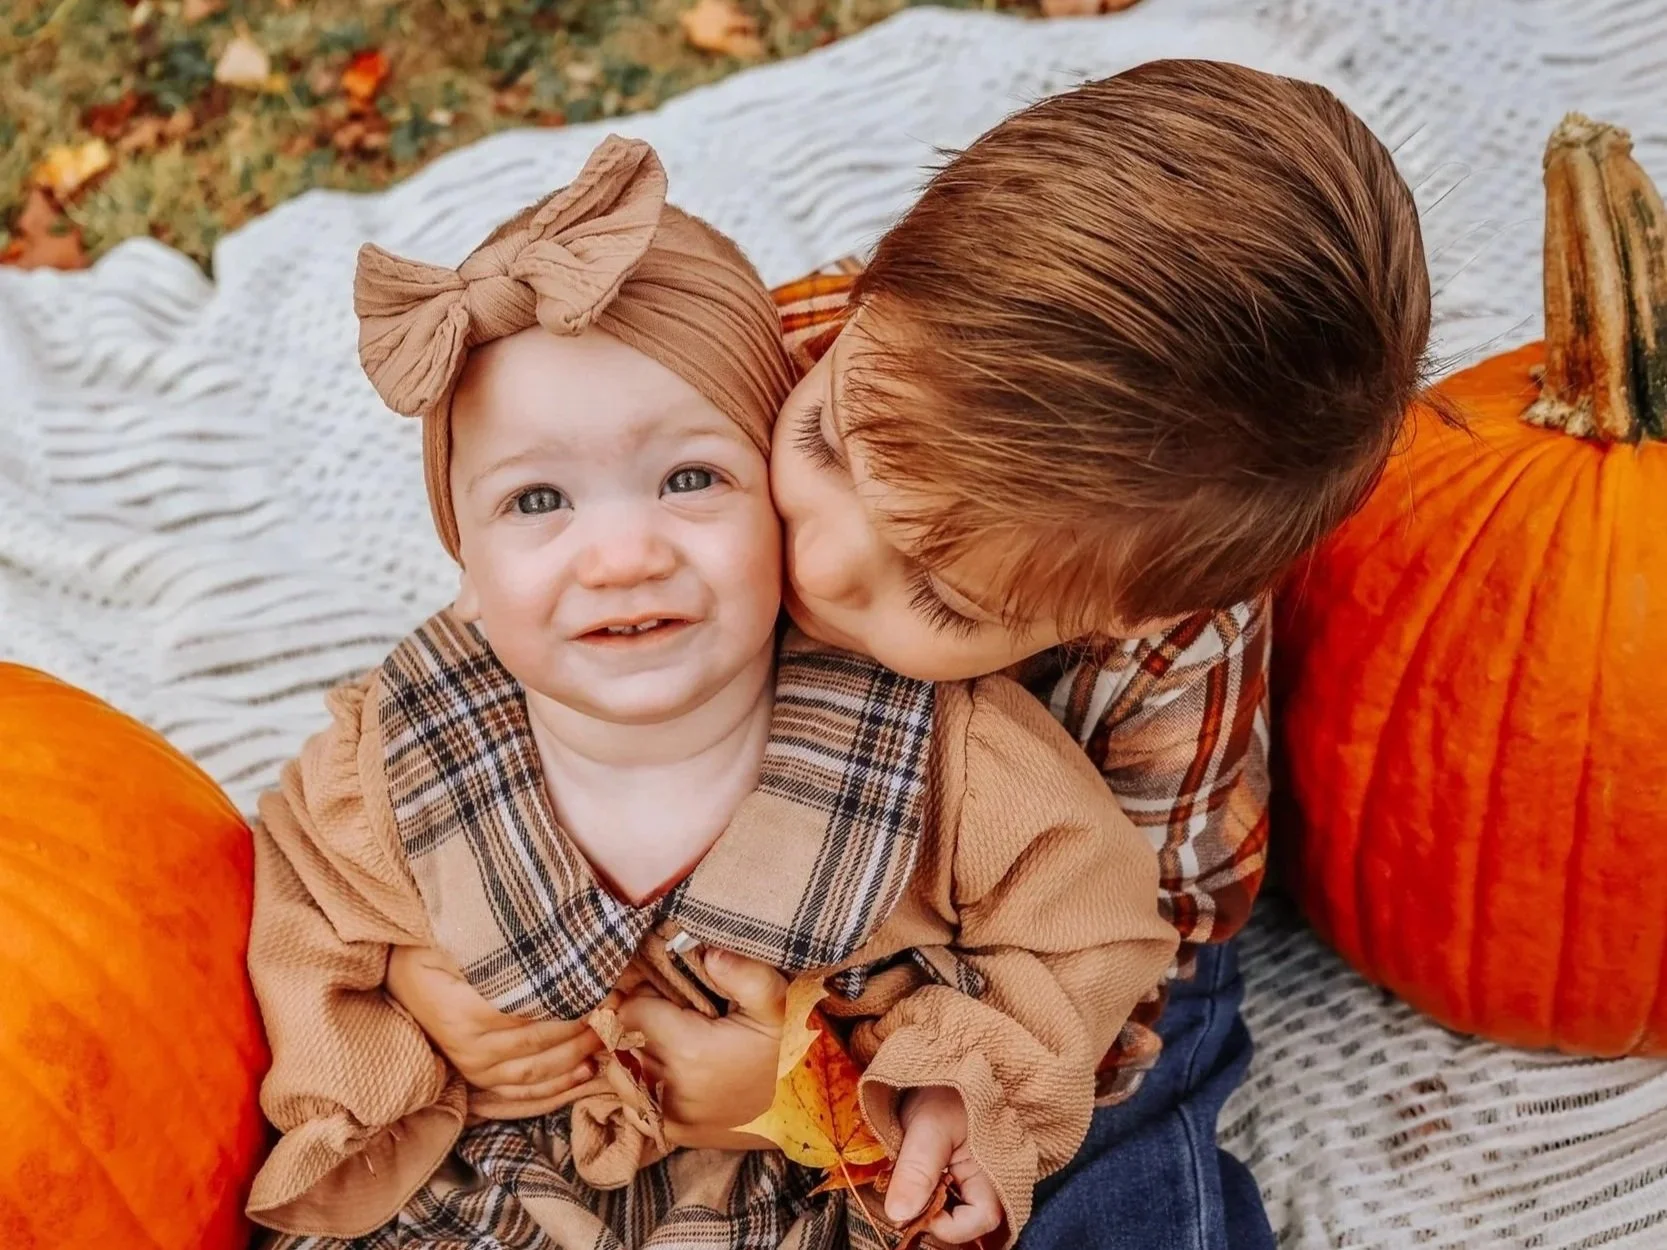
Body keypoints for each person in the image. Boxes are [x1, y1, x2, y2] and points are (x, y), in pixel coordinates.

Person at [386, 59, 1434, 1250]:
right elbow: (529, 592)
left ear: (1121, 612)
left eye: (938, 592)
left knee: (1105, 1168)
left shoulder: (1171, 645)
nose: (821, 563)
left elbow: (1130, 940)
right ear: (878, 286)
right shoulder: (764, 355)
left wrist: (868, 1078)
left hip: (1018, 934)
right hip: (741, 830)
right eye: (827, 441)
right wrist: (429, 968)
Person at [242, 134, 1176, 1250]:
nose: (622, 553)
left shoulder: (940, 753)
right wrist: (412, 992)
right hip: (494, 1187)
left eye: (691, 478)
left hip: (809, 1188)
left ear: (771, 486)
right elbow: (305, 906)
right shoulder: (403, 745)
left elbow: (1087, 930)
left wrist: (897, 1086)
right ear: (464, 555)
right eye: (536, 500)